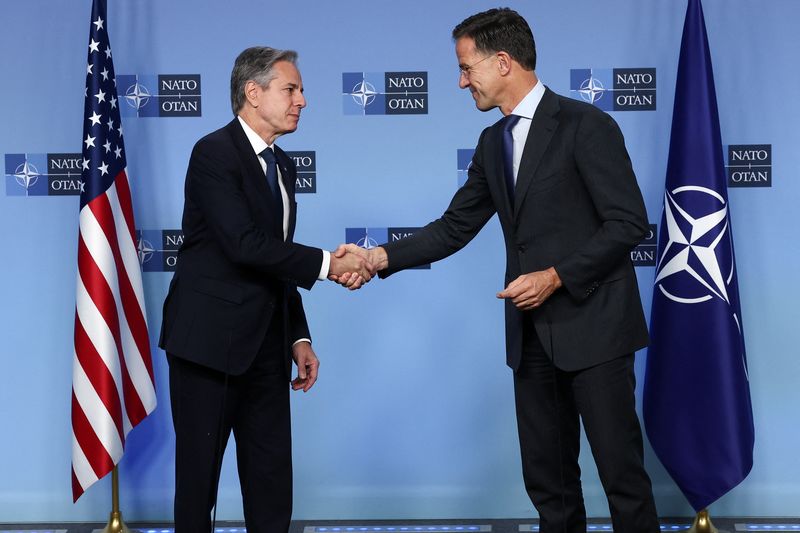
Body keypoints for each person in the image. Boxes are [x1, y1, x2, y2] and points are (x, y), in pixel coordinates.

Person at [336, 8, 659, 533]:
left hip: (596, 333)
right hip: (531, 342)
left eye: (467, 68)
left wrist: (555, 276)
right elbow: (453, 227)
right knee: (549, 487)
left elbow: (627, 225)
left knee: (623, 481)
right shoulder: (492, 143)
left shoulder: (587, 125)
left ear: (503, 62)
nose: (461, 81)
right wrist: (376, 258)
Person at [159, 46, 371, 533]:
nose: (302, 100)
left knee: (272, 483)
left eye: (300, 91)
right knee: (199, 487)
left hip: (265, 348)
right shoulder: (213, 152)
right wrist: (328, 265)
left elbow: (276, 256)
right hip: (207, 348)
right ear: (253, 94)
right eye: (290, 89)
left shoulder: (284, 165)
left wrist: (298, 336)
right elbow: (243, 245)